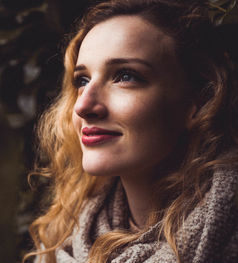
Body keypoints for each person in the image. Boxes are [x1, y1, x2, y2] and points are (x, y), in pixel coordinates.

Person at [24, 0, 238, 262]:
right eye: (82, 80)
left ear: (201, 101)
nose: (83, 106)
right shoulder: (62, 243)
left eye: (125, 76)